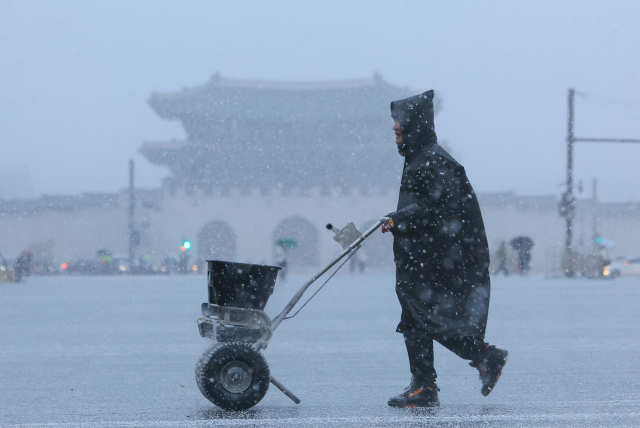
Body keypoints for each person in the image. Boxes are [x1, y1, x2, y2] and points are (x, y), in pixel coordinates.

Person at [381, 91, 508, 408]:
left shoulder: (434, 161)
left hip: (439, 259)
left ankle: (484, 357)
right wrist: (400, 221)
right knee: (414, 318)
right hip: (424, 257)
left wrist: (400, 220)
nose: (395, 134)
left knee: (426, 318)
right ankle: (424, 386)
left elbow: (442, 210)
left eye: (399, 130)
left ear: (414, 129)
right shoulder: (420, 158)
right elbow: (427, 207)